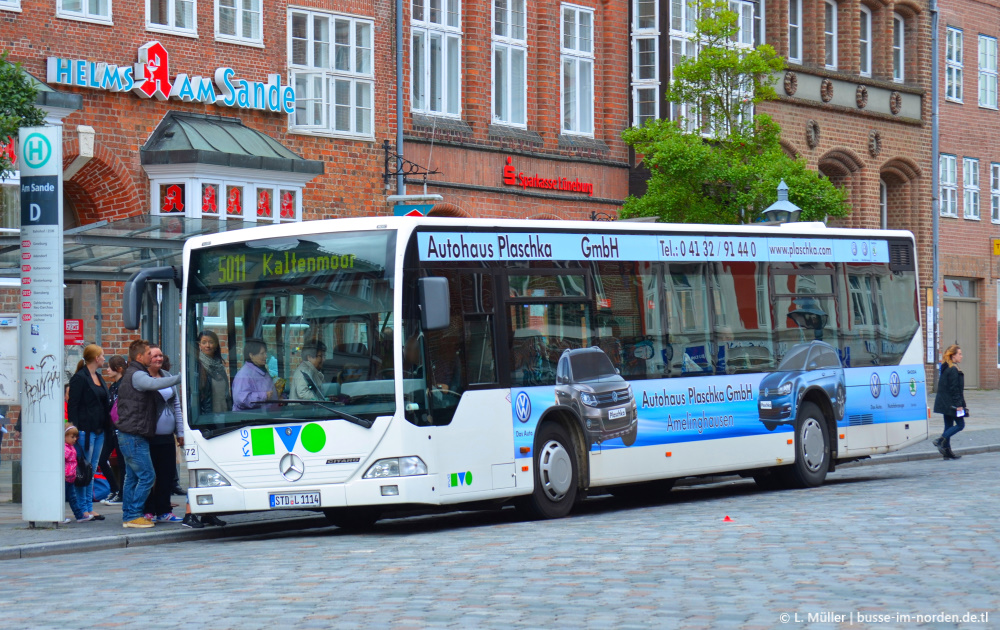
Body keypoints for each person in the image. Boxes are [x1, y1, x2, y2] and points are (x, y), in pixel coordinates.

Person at [116, 339, 181, 529]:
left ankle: (129, 515)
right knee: (147, 476)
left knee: (132, 477)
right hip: (134, 435)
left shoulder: (134, 373)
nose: (151, 356)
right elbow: (154, 385)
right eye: (148, 354)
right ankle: (135, 513)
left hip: (131, 435)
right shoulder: (137, 375)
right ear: (139, 356)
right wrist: (180, 377)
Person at [139, 346, 185, 523]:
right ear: (146, 358)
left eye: (160, 356)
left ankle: (164, 510)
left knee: (166, 474)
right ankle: (148, 509)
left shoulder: (167, 376)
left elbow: (176, 406)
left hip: (167, 435)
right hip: (149, 434)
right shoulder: (142, 377)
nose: (158, 359)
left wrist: (179, 431)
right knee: (150, 474)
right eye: (154, 355)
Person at [67, 344, 110, 521]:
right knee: (83, 469)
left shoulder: (98, 377)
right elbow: (73, 405)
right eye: (102, 355)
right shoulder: (80, 378)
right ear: (95, 358)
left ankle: (89, 507)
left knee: (91, 469)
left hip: (99, 429)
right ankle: (83, 509)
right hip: (85, 431)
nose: (104, 358)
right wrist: (75, 429)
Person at [99, 354, 127, 506]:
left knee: (122, 462)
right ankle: (115, 489)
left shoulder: (123, 385)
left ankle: (121, 493)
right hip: (110, 428)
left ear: (119, 369)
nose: (107, 370)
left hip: (119, 427)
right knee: (102, 459)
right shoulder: (113, 386)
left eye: (110, 367)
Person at [933, 344, 967, 460]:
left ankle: (947, 452)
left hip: (945, 403)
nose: (961, 356)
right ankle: (940, 440)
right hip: (952, 404)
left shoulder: (946, 367)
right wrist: (959, 405)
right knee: (960, 425)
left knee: (948, 426)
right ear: (953, 356)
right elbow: (955, 389)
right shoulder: (953, 369)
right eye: (959, 354)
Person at [232, 339, 279, 411]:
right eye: (262, 353)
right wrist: (264, 396)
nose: (266, 356)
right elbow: (241, 399)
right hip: (251, 419)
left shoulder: (261, 370)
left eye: (266, 353)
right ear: (251, 355)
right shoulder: (244, 375)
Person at [197, 330, 232, 414]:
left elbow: (226, 394)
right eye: (204, 342)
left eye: (211, 342)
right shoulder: (198, 366)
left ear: (216, 345)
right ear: (200, 345)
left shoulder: (219, 366)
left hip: (224, 413)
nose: (208, 346)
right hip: (208, 416)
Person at [63, 425, 89, 524]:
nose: (75, 439)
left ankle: (79, 516)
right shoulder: (65, 449)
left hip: (70, 477)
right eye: (72, 437)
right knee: (64, 498)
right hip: (65, 477)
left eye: (75, 437)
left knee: (73, 498)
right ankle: (59, 516)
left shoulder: (71, 447)